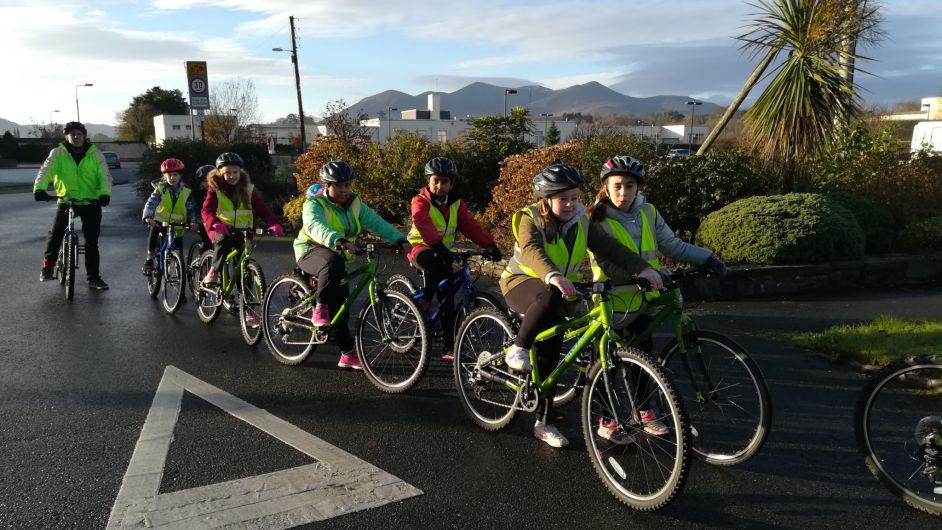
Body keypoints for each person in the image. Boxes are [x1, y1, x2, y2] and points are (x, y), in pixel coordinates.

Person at [499, 163, 664, 448]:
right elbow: (532, 250)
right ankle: (519, 348)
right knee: (548, 298)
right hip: (521, 282)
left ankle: (543, 420)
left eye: (574, 197)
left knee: (551, 353)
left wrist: (643, 269)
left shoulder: (580, 219)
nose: (570, 204)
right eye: (563, 198)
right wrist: (552, 275)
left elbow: (611, 248)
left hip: (561, 290)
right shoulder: (529, 218)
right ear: (546, 200)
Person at [588, 155, 727, 435]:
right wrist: (638, 277)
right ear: (605, 187)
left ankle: (643, 411)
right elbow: (605, 261)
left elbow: (672, 245)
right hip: (612, 299)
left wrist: (706, 258)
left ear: (638, 188)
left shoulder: (648, 213)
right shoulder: (596, 218)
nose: (623, 193)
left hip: (645, 299)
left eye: (630, 186)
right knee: (606, 363)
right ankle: (606, 418)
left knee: (643, 357)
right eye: (617, 186)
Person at [294, 160, 411, 370]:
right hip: (311, 250)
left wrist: (399, 239)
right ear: (327, 186)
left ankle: (347, 354)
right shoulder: (314, 204)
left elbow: (376, 222)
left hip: (339, 255)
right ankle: (320, 309)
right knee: (332, 262)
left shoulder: (355, 203)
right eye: (338, 185)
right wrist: (338, 240)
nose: (343, 190)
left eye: (347, 185)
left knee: (343, 307)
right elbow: (315, 226)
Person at [406, 156, 502, 360]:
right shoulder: (420, 201)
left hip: (444, 252)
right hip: (420, 248)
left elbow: (469, 225)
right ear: (428, 181)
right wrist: (437, 245)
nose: (440, 186)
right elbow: (422, 223)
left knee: (448, 301)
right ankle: (424, 300)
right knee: (434, 260)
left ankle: (449, 348)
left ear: (452, 183)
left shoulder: (457, 202)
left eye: (445, 181)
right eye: (436, 181)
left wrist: (489, 244)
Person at [34, 121, 113, 290]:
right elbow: (45, 170)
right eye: (72, 134)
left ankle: (94, 278)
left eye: (79, 134)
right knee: (56, 233)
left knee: (91, 241)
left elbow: (104, 175)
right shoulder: (58, 153)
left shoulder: (95, 154)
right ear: (66, 136)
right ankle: (48, 267)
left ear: (84, 136)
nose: (76, 137)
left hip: (91, 201)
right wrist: (39, 188)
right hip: (67, 200)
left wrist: (105, 194)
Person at [200, 152, 284, 286]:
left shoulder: (248, 189)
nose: (232, 176)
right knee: (223, 242)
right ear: (220, 173)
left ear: (241, 172)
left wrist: (274, 223)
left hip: (243, 230)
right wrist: (215, 223)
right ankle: (213, 272)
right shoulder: (215, 189)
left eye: (236, 172)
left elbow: (262, 208)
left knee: (243, 264)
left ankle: (245, 300)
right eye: (228, 173)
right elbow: (207, 210)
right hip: (221, 228)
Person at [141, 158, 200, 273]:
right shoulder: (160, 189)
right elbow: (151, 202)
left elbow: (192, 208)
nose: (172, 178)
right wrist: (148, 216)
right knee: (153, 232)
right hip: (160, 220)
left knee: (178, 249)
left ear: (180, 176)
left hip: (178, 224)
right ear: (164, 176)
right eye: (169, 175)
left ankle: (180, 271)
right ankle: (149, 258)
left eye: (175, 175)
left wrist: (194, 221)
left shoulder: (186, 191)